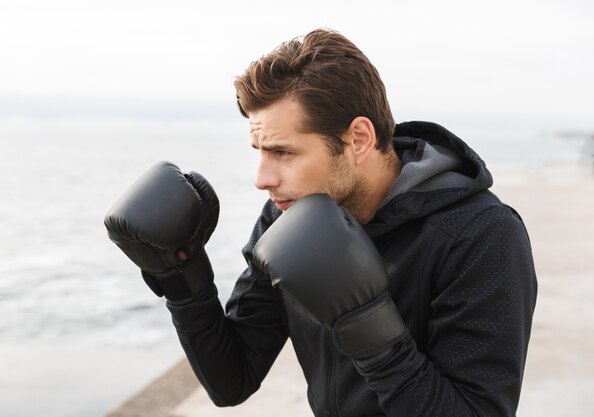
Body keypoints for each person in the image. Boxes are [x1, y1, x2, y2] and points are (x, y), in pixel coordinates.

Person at [104, 28, 537, 416]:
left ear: (359, 140)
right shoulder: (285, 217)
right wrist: (183, 279)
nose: (262, 179)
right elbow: (231, 381)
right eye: (259, 151)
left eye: (283, 152)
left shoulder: (481, 237)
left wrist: (373, 334)